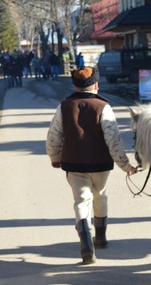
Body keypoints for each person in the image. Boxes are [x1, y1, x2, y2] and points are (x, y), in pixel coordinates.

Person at [46, 67, 138, 265]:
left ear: (74, 85)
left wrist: (55, 157)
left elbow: (53, 136)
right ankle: (101, 238)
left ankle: (87, 244)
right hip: (101, 164)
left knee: (81, 201)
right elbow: (114, 140)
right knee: (100, 195)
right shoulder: (103, 107)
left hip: (74, 163)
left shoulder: (65, 106)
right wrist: (126, 165)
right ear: (96, 85)